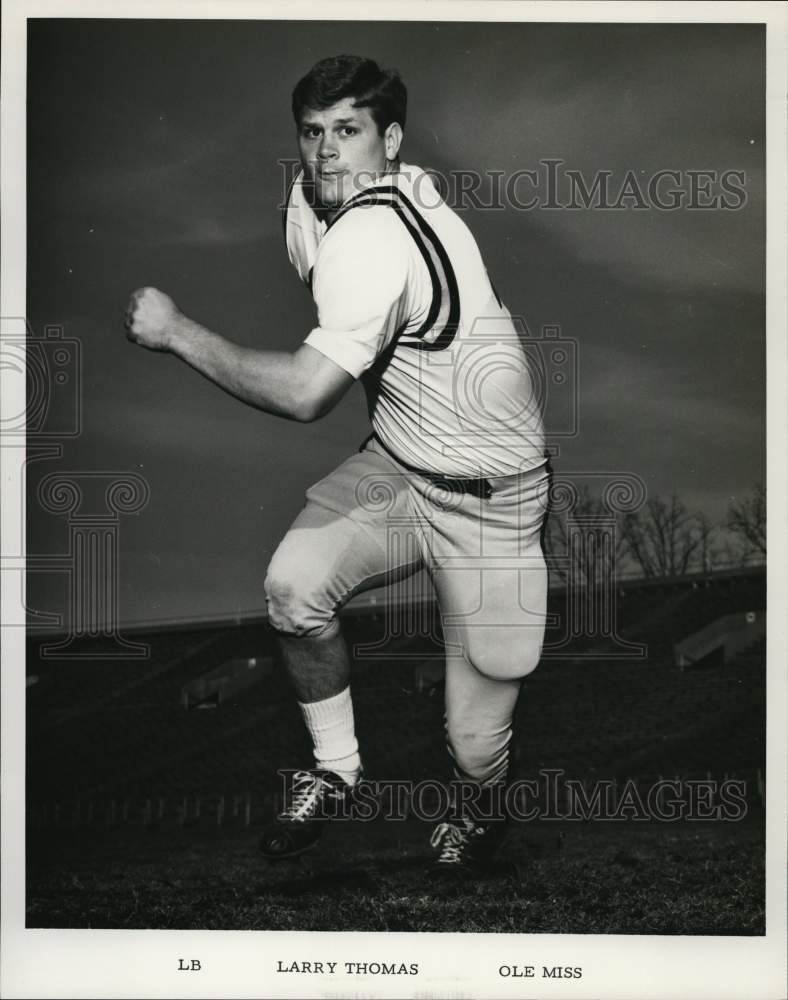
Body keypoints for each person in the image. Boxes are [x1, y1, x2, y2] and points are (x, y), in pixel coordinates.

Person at [125, 54, 550, 876]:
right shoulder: (318, 197)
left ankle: (485, 802)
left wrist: (177, 331)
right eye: (313, 134)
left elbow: (304, 393)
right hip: (399, 468)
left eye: (349, 133)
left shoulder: (377, 234)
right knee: (293, 585)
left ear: (391, 141)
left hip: (494, 505)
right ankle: (337, 769)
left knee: (474, 741)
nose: (327, 155)